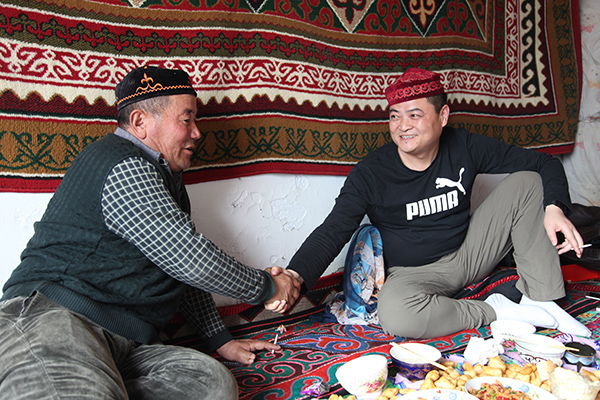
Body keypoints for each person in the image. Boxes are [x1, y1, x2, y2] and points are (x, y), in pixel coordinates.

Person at [0, 66, 301, 400]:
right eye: (186, 119)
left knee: (212, 384)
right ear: (140, 121)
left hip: (128, 342)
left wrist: (220, 340)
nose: (197, 132)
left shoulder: (165, 179)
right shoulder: (121, 164)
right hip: (59, 318)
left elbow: (176, 269)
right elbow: (189, 259)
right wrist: (269, 286)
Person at [275, 67, 591, 339]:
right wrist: (294, 277)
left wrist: (555, 208)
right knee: (396, 315)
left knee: (528, 181)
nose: (402, 126)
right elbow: (334, 229)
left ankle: (541, 300)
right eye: (395, 116)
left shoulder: (465, 145)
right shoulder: (371, 173)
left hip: (469, 253)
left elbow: (544, 163)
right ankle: (495, 310)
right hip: (413, 274)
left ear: (442, 116)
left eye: (414, 115)